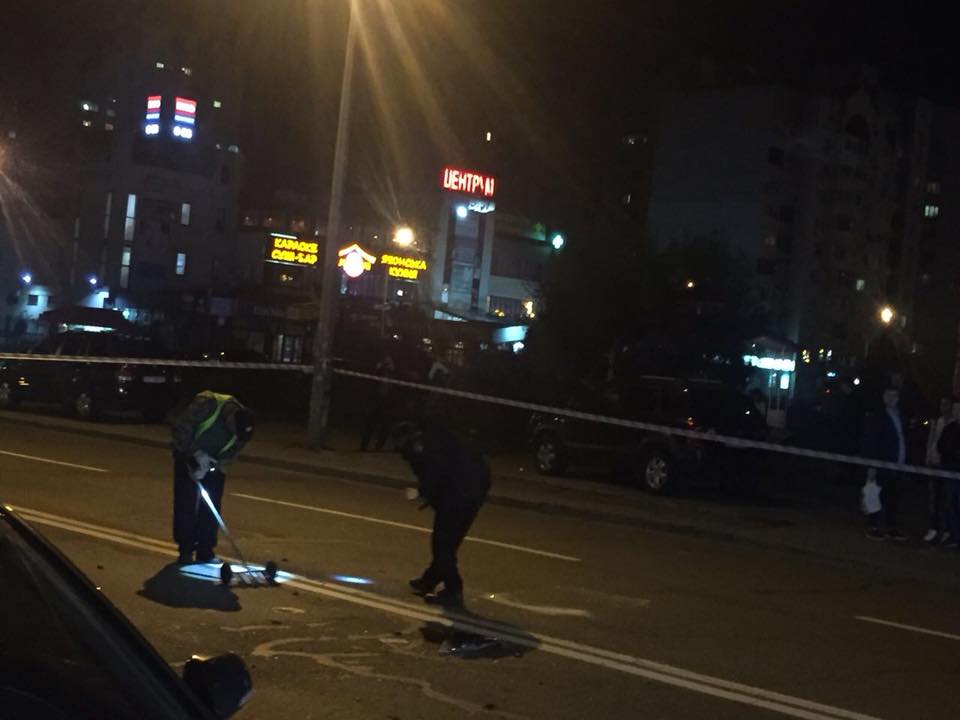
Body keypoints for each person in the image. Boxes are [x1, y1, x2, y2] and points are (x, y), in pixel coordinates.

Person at [396, 420, 490, 607]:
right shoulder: (438, 441)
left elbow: (436, 475)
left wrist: (421, 492)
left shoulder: (429, 449)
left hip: (461, 494)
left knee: (443, 545)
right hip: (470, 491)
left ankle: (453, 590)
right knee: (447, 542)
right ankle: (429, 580)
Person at [171, 391, 256, 565]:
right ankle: (185, 550)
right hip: (187, 456)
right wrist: (195, 454)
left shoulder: (243, 426)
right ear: (230, 420)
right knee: (186, 505)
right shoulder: (208, 405)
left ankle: (205, 550)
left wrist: (215, 465)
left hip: (212, 463)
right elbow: (180, 428)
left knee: (212, 506)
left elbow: (232, 452)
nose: (234, 436)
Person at [862, 385, 908, 541]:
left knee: (893, 497)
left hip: (898, 464)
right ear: (883, 397)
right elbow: (872, 441)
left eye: (894, 395)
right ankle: (873, 526)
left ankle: (890, 527)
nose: (891, 398)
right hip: (882, 464)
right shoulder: (878, 416)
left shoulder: (901, 416)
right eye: (888, 395)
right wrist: (872, 464)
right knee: (876, 495)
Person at [924, 396, 953, 544]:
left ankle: (947, 529)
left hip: (948, 465)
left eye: (946, 404)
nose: (943, 407)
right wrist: (928, 456)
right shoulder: (938, 422)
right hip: (935, 463)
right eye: (941, 404)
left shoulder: (954, 423)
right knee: (934, 498)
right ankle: (933, 527)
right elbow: (932, 440)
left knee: (948, 499)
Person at [936, 400, 960, 550]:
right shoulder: (949, 428)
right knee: (951, 505)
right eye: (955, 409)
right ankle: (954, 536)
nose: (957, 412)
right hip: (950, 473)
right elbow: (940, 447)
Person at [360, 353, 396, 452]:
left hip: (388, 402)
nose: (387, 362)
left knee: (385, 426)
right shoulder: (379, 369)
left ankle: (379, 447)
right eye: (386, 360)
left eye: (389, 360)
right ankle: (364, 446)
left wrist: (393, 370)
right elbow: (370, 380)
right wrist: (378, 368)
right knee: (370, 424)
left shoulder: (394, 372)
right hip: (376, 400)